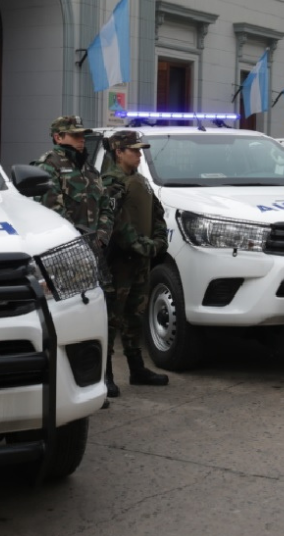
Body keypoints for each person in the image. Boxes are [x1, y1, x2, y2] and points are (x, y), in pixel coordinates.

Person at [32, 116, 118, 403]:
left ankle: (101, 379)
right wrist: (77, 243)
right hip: (64, 257)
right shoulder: (47, 166)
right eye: (75, 135)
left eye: (82, 135)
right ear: (58, 137)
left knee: (100, 316)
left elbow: (105, 204)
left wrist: (102, 235)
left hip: (94, 253)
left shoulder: (90, 168)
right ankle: (69, 387)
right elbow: (50, 212)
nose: (82, 139)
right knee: (72, 320)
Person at [101, 130, 169, 391]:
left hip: (141, 260)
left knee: (135, 316)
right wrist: (144, 246)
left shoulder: (139, 181)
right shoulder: (110, 182)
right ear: (119, 152)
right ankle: (105, 375)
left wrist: (159, 241)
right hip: (119, 262)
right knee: (112, 319)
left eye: (140, 150)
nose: (139, 154)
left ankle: (136, 369)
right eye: (134, 150)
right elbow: (116, 224)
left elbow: (157, 213)